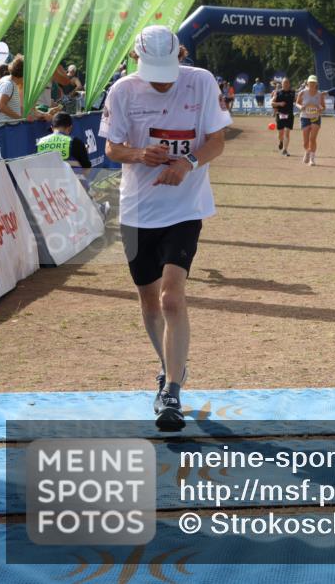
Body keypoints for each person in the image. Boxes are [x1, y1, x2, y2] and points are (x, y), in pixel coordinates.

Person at [100, 25, 231, 430]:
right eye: (153, 70)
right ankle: (169, 366)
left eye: (167, 68)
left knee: (173, 299)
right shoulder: (123, 90)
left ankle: (171, 391)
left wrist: (187, 163)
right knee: (149, 301)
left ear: (181, 55)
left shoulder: (200, 82)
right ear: (138, 59)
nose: (160, 79)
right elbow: (111, 148)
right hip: (138, 211)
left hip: (185, 207)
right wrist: (140, 153)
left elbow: (217, 140)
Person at [0, 55, 50, 125]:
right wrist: (21, 118)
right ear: (25, 74)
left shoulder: (6, 80)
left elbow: (15, 107)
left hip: (6, 127)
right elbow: (1, 106)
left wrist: (39, 115)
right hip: (4, 127)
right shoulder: (9, 84)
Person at [296, 75, 325, 166]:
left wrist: (320, 108)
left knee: (312, 139)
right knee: (305, 142)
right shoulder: (302, 93)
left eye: (314, 82)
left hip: (315, 117)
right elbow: (297, 103)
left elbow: (323, 107)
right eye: (310, 82)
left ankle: (312, 159)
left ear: (316, 84)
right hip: (304, 117)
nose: (312, 84)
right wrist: (301, 107)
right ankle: (307, 151)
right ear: (307, 83)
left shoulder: (319, 94)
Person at [271, 78, 296, 155]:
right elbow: (272, 103)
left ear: (289, 84)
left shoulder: (292, 92)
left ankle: (285, 150)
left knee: (287, 133)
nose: (285, 84)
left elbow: (297, 101)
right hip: (280, 114)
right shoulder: (278, 93)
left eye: (287, 83)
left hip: (290, 115)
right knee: (281, 133)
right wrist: (279, 104)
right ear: (282, 84)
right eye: (284, 83)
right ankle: (281, 141)